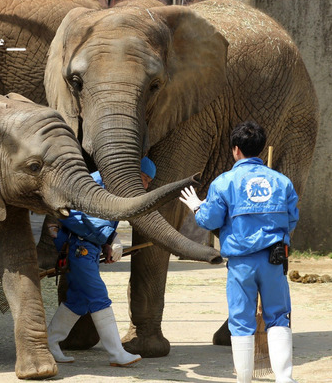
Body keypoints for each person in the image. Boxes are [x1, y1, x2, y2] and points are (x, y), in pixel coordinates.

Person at [179, 121, 299, 383]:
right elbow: (291, 220)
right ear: (260, 148)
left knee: (241, 321)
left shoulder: (223, 183)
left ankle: (244, 379)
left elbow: (210, 221)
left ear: (235, 150)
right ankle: (285, 378)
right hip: (274, 260)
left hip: (241, 264)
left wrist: (198, 207)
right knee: (278, 316)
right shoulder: (282, 182)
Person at [46, 156, 156, 366]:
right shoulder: (94, 182)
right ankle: (117, 354)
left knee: (78, 302)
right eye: (143, 179)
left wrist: (107, 242)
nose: (144, 185)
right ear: (132, 172)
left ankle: (49, 344)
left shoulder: (113, 186)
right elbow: (67, 214)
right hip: (80, 249)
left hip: (89, 250)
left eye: (148, 183)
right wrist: (108, 237)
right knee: (99, 297)